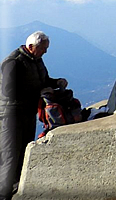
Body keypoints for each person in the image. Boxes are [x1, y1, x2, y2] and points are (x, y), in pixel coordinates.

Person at [0, 32, 67, 199]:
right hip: (11, 114)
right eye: (43, 48)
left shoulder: (35, 60)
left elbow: (41, 80)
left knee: (23, 151)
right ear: (31, 47)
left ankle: (14, 190)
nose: (45, 52)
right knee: (10, 154)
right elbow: (8, 91)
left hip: (27, 112)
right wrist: (39, 92)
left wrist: (56, 82)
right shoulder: (13, 62)